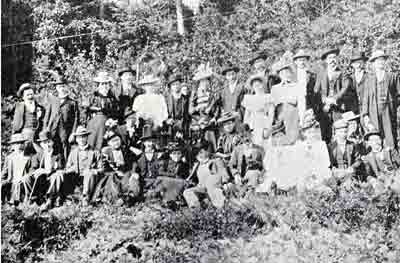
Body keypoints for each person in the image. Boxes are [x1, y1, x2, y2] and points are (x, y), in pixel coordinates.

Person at [314, 48, 355, 143]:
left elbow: (345, 88)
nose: (332, 60)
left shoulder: (343, 72)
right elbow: (316, 90)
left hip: (339, 107)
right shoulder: (321, 73)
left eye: (334, 57)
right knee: (325, 134)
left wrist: (333, 99)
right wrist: (324, 100)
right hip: (324, 108)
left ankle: (340, 155)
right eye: (330, 58)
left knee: (340, 131)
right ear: (326, 60)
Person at [362, 49, 399, 150]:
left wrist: (394, 105)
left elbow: (398, 94)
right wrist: (365, 115)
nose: (380, 62)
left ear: (385, 61)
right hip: (374, 111)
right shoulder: (369, 79)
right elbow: (365, 99)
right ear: (373, 63)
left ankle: (392, 159)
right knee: (376, 135)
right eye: (378, 60)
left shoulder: (392, 76)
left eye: (382, 60)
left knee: (390, 135)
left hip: (388, 111)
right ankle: (378, 160)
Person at [93, 131, 140, 204]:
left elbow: (134, 162)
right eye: (113, 141)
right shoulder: (106, 153)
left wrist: (133, 172)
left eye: (118, 140)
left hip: (125, 174)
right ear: (109, 143)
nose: (116, 143)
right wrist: (115, 172)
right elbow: (104, 168)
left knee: (133, 179)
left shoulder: (125, 150)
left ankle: (129, 197)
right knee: (111, 181)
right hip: (112, 175)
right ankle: (115, 199)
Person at [183, 140, 230, 209]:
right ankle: (196, 210)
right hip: (202, 189)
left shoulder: (216, 161)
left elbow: (224, 173)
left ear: (207, 151)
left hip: (214, 187)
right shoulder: (197, 165)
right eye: (197, 153)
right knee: (187, 192)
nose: (199, 155)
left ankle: (219, 208)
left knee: (217, 193)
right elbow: (193, 179)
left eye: (202, 152)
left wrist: (225, 182)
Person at [43, 76, 79, 160]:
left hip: (66, 129)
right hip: (52, 129)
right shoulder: (52, 101)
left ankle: (66, 167)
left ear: (66, 87)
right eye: (59, 87)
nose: (62, 88)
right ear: (56, 88)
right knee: (53, 147)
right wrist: (45, 128)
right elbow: (47, 116)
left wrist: (73, 133)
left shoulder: (72, 102)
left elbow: (76, 119)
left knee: (65, 147)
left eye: (63, 86)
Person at [65, 126, 104, 205]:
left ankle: (86, 198)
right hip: (77, 179)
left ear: (87, 138)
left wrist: (93, 171)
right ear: (76, 139)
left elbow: (102, 168)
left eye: (84, 137)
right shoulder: (73, 152)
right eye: (79, 137)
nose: (82, 139)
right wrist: (73, 169)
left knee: (88, 174)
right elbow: (67, 167)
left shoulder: (95, 151)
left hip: (90, 180)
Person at [189, 63, 221, 152]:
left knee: (212, 145)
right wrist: (199, 120)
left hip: (211, 124)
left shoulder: (213, 94)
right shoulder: (195, 94)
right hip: (198, 123)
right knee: (199, 146)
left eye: (206, 80)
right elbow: (191, 111)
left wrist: (213, 118)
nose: (204, 83)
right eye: (202, 81)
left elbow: (217, 108)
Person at [268, 62, 300, 146]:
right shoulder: (275, 88)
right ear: (279, 75)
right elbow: (272, 107)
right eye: (282, 73)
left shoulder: (296, 86)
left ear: (290, 73)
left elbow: (296, 101)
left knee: (294, 142)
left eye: (287, 72)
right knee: (281, 143)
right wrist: (270, 122)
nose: (285, 74)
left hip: (294, 118)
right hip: (281, 120)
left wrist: (282, 98)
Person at [31, 130, 65, 208]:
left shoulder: (58, 155)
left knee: (56, 176)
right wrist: (37, 171)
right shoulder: (38, 156)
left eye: (49, 142)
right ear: (41, 144)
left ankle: (50, 199)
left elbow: (60, 168)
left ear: (52, 142)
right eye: (44, 143)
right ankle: (40, 200)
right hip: (42, 178)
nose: (47, 145)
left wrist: (49, 171)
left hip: (53, 177)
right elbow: (32, 169)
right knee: (39, 177)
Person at [86, 71, 118, 150]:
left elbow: (115, 112)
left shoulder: (112, 98)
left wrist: (112, 120)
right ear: (98, 85)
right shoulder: (93, 97)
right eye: (102, 84)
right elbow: (86, 110)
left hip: (109, 124)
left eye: (106, 84)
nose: (105, 86)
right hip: (96, 124)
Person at [1, 134, 35, 205]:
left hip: (22, 181)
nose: (18, 145)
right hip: (11, 181)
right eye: (16, 143)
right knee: (2, 184)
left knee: (18, 184)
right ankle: (4, 203)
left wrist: (25, 177)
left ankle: (20, 202)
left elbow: (32, 171)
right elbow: (5, 171)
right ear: (13, 145)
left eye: (20, 143)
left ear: (24, 144)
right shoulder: (9, 158)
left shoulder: (29, 157)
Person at [242, 75, 275, 146]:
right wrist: (246, 128)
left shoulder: (268, 97)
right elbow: (247, 114)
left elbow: (271, 114)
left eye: (258, 84)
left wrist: (268, 127)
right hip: (253, 124)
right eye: (254, 85)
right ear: (252, 87)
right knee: (253, 145)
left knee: (264, 144)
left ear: (262, 85)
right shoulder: (249, 98)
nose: (257, 86)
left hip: (263, 122)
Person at [156, 141, 190, 208]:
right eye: (174, 153)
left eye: (178, 154)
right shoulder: (166, 163)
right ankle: (167, 200)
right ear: (170, 155)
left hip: (178, 184)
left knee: (180, 183)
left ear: (181, 155)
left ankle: (173, 201)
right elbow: (160, 172)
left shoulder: (184, 165)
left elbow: (186, 175)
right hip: (166, 182)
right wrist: (172, 174)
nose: (176, 156)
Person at [229, 124, 265, 189]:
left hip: (256, 176)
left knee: (253, 174)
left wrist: (261, 174)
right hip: (242, 178)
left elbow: (265, 165)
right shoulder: (237, 150)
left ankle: (251, 191)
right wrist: (236, 175)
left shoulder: (259, 149)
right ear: (239, 138)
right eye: (242, 137)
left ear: (251, 134)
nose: (245, 139)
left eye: (247, 135)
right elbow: (232, 165)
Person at [131, 125, 161, 199]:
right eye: (147, 141)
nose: (149, 144)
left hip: (156, 181)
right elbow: (135, 168)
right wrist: (134, 173)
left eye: (151, 141)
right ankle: (133, 196)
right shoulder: (139, 156)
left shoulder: (159, 155)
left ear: (154, 142)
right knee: (133, 179)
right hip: (144, 181)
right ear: (143, 143)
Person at [293, 49, 317, 118]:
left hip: (309, 103)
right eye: (300, 60)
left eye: (304, 60)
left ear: (306, 61)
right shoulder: (292, 75)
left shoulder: (312, 75)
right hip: (296, 102)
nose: (302, 62)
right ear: (296, 62)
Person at [165, 74, 190, 139]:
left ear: (180, 85)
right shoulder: (166, 100)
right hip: (170, 128)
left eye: (177, 84)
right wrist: (167, 120)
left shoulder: (186, 99)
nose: (176, 86)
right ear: (170, 87)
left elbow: (187, 114)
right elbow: (163, 114)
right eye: (173, 85)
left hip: (183, 127)